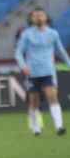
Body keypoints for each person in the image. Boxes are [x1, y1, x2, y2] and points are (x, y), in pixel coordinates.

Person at [15, 8, 69, 136]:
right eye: (36, 16)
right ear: (32, 19)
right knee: (34, 101)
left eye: (41, 15)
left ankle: (59, 126)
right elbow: (18, 53)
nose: (39, 17)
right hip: (32, 73)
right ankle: (36, 127)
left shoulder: (53, 33)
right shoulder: (26, 34)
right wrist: (23, 66)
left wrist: (69, 63)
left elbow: (60, 51)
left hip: (48, 71)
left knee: (52, 97)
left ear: (46, 18)